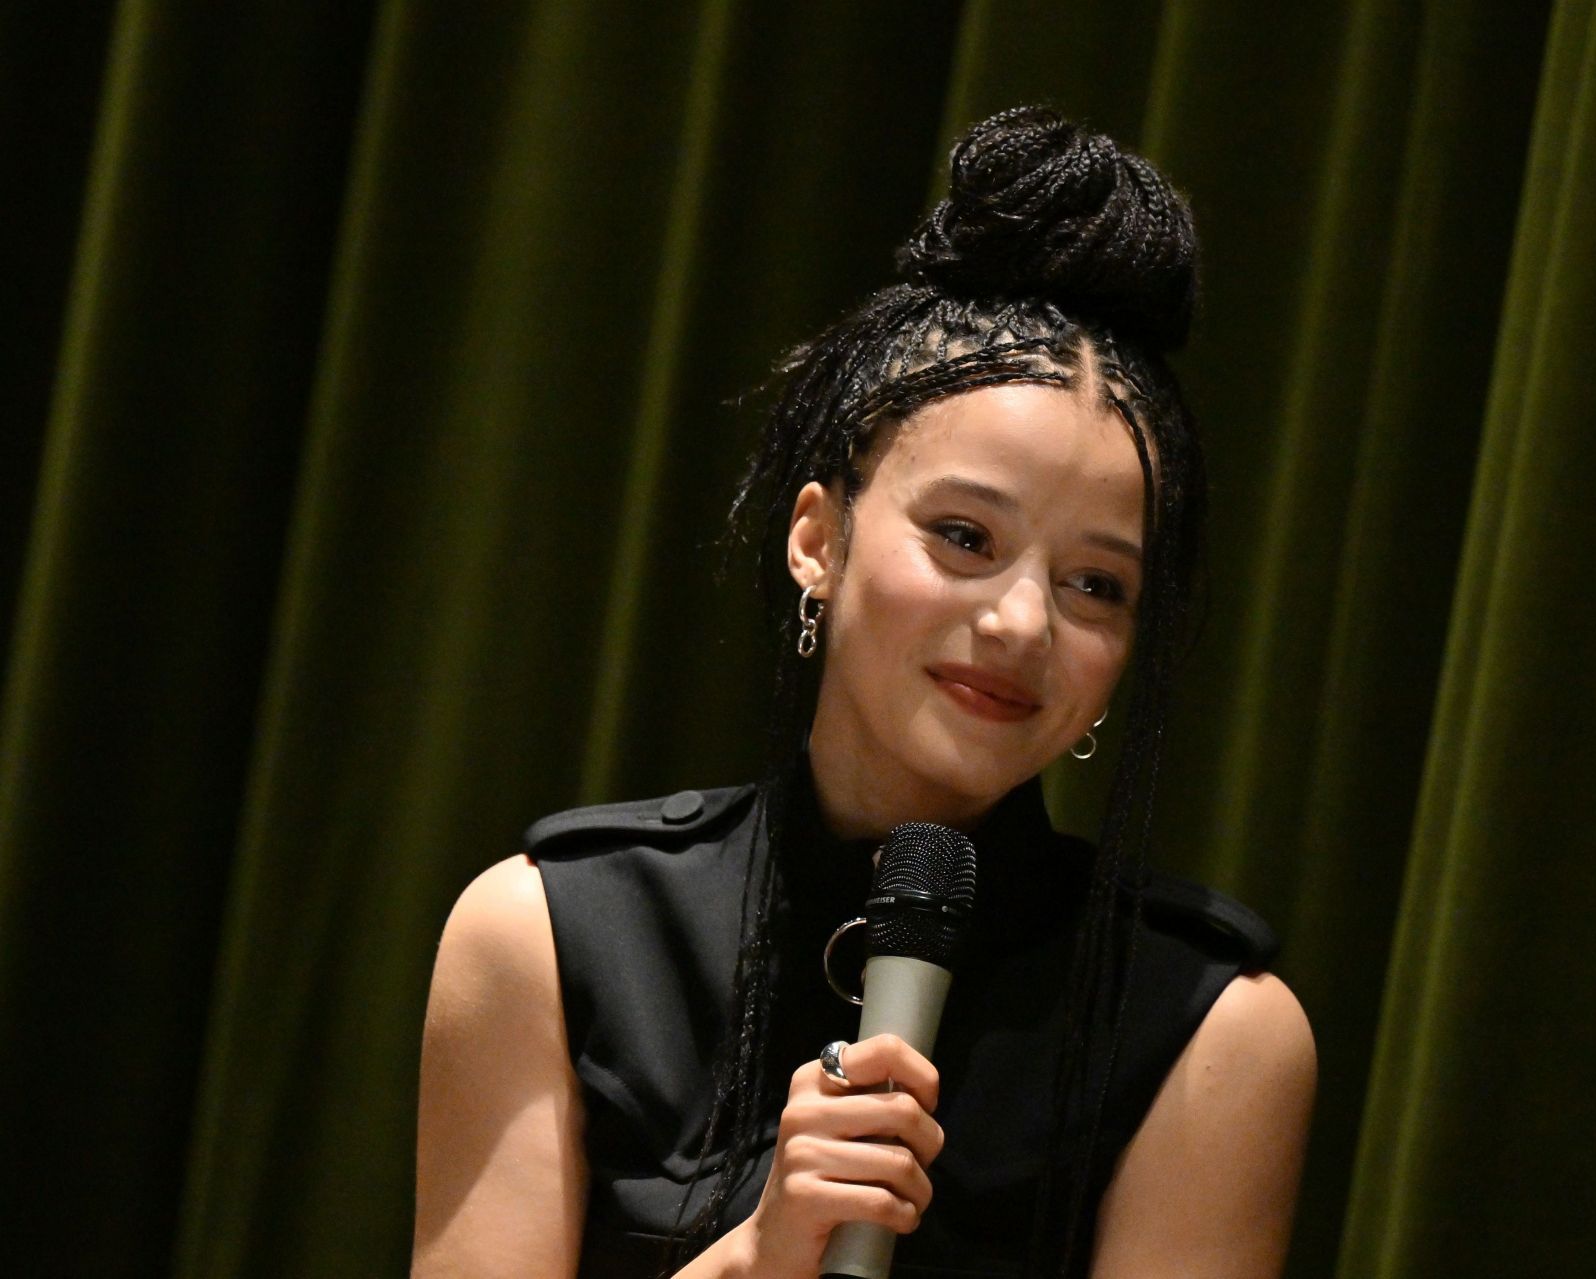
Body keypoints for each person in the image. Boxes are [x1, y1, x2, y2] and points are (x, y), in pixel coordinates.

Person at [412, 106, 1316, 1279]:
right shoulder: (549, 934)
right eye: (963, 535)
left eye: (1097, 583)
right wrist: (758, 1258)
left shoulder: (1212, 1031)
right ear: (817, 539)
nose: (1021, 622)